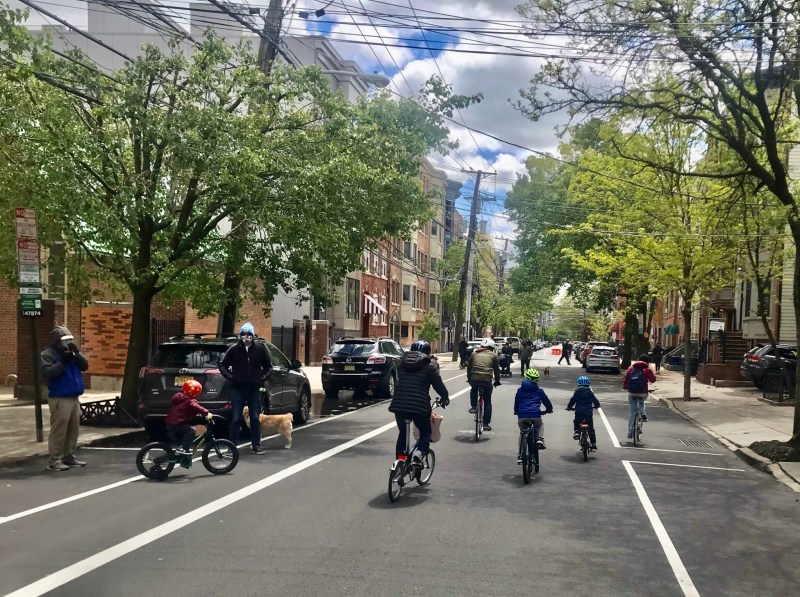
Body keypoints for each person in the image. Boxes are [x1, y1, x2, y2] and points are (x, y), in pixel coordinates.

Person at [388, 340, 449, 462]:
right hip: (419, 407)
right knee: (426, 432)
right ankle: (420, 453)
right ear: (427, 353)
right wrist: (445, 398)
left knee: (402, 433)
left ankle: (400, 461)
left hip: (399, 405)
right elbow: (439, 386)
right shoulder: (430, 366)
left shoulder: (401, 364)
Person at [40, 326, 89, 471]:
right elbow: (47, 373)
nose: (67, 343)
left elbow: (84, 366)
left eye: (69, 340)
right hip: (60, 397)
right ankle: (54, 460)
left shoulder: (70, 352)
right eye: (64, 340)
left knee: (73, 429)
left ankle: (68, 456)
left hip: (74, 397)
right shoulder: (47, 355)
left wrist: (77, 354)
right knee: (59, 430)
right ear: (56, 341)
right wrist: (63, 363)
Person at [220, 322, 273, 455]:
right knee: (236, 417)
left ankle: (256, 445)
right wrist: (232, 377)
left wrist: (261, 378)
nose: (246, 337)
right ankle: (232, 446)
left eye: (249, 334)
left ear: (253, 335)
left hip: (254, 389)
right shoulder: (233, 349)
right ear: (240, 335)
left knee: (255, 417)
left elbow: (269, 366)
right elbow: (222, 365)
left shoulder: (260, 350)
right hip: (237, 389)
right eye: (243, 334)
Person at [165, 379, 213, 457]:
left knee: (185, 438)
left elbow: (185, 411)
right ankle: (182, 448)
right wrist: (206, 412)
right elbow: (196, 407)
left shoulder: (182, 399)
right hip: (177, 424)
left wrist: (199, 415)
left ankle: (184, 453)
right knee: (191, 430)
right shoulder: (190, 401)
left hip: (172, 423)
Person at [514, 368, 553, 461]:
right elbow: (547, 403)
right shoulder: (540, 391)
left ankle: (520, 454)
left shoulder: (520, 390)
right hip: (536, 414)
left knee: (522, 433)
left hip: (522, 415)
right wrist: (549, 410)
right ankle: (539, 438)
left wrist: (516, 411)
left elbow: (516, 403)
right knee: (540, 425)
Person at [467, 337, 501, 431]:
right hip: (487, 380)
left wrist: (469, 378)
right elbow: (497, 370)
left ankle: (473, 406)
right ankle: (486, 424)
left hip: (475, 378)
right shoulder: (493, 356)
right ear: (490, 347)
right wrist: (497, 381)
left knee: (473, 389)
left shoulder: (474, 354)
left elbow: (469, 368)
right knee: (487, 401)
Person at [623, 354, 657, 439]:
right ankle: (643, 413)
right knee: (641, 401)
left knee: (632, 412)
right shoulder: (647, 370)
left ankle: (629, 432)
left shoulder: (631, 368)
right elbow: (653, 380)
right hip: (642, 393)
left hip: (632, 393)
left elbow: (626, 379)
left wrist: (625, 387)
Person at [567, 375, 601, 450]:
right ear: (588, 384)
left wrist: (569, 407)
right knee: (591, 429)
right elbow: (595, 401)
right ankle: (594, 444)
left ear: (578, 384)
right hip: (588, 413)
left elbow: (572, 401)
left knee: (576, 421)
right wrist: (597, 405)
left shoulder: (577, 392)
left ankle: (577, 431)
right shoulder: (590, 393)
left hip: (579, 412)